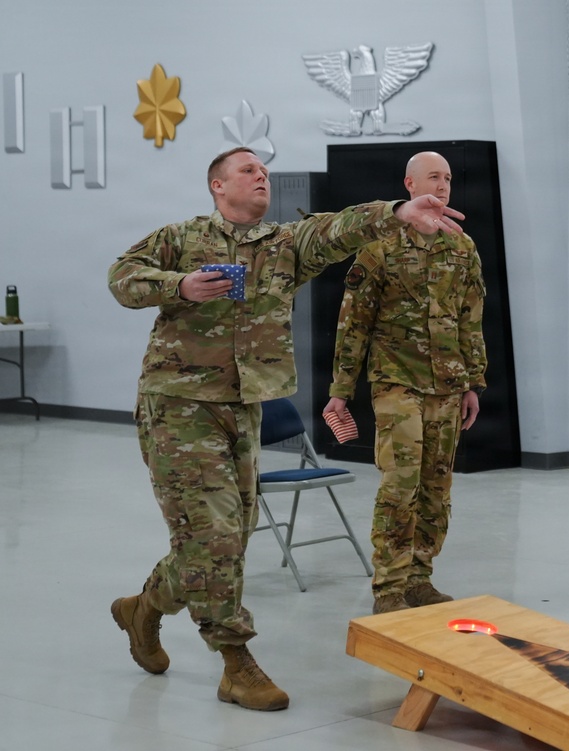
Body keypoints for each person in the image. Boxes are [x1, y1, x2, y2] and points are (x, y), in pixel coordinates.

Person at [107, 146, 464, 711]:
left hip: (243, 406)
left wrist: (396, 211)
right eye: (248, 170)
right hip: (178, 405)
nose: (261, 177)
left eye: (265, 171)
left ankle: (143, 609)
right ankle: (234, 661)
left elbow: (336, 229)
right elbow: (122, 278)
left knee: (226, 538)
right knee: (216, 539)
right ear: (217, 186)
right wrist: (179, 287)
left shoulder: (283, 246)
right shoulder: (180, 238)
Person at [324, 151, 487, 615]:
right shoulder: (380, 246)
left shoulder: (462, 248)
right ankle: (389, 588)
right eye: (434, 177)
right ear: (410, 184)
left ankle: (420, 578)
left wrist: (473, 382)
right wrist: (341, 391)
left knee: (436, 486)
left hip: (448, 384)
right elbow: (353, 323)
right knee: (401, 483)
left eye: (449, 178)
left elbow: (471, 319)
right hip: (397, 380)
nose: (443, 185)